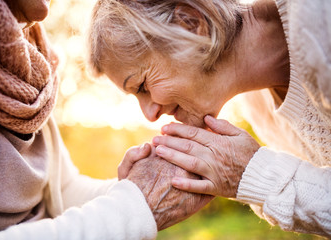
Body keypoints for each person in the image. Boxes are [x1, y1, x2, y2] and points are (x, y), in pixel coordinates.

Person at [88, 0, 331, 237]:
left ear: (190, 23)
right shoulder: (258, 108)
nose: (149, 114)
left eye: (142, 86)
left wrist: (255, 174)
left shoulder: (318, 21)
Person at [0, 0, 210, 239]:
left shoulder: (32, 68)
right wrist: (131, 208)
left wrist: (136, 186)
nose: (150, 115)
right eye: (141, 86)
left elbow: (63, 190)